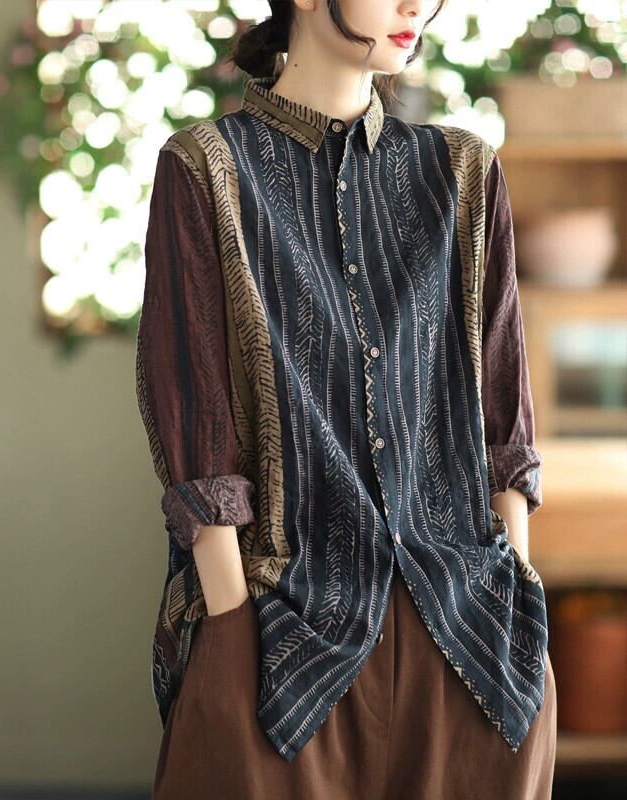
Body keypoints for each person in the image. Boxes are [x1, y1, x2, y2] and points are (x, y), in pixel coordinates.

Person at [135, 0, 557, 797]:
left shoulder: (463, 171)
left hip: (473, 647)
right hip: (280, 650)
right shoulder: (206, 169)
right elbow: (193, 414)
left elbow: (502, 411)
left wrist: (517, 595)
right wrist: (230, 630)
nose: (414, 4)